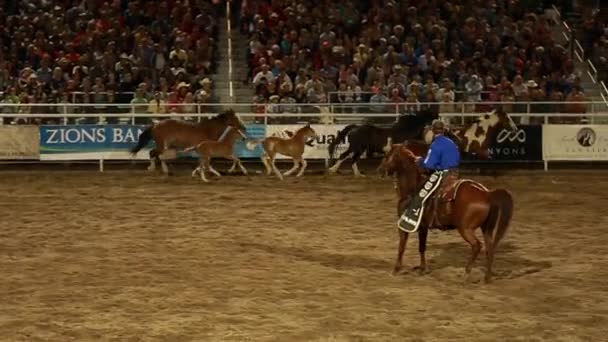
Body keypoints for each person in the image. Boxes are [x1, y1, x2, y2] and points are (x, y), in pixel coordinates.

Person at [399, 119, 460, 233]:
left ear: (432, 130)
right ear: (443, 130)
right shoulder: (451, 142)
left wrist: (420, 160)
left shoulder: (435, 144)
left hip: (443, 174)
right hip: (455, 172)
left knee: (421, 193)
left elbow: (429, 164)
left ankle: (416, 219)